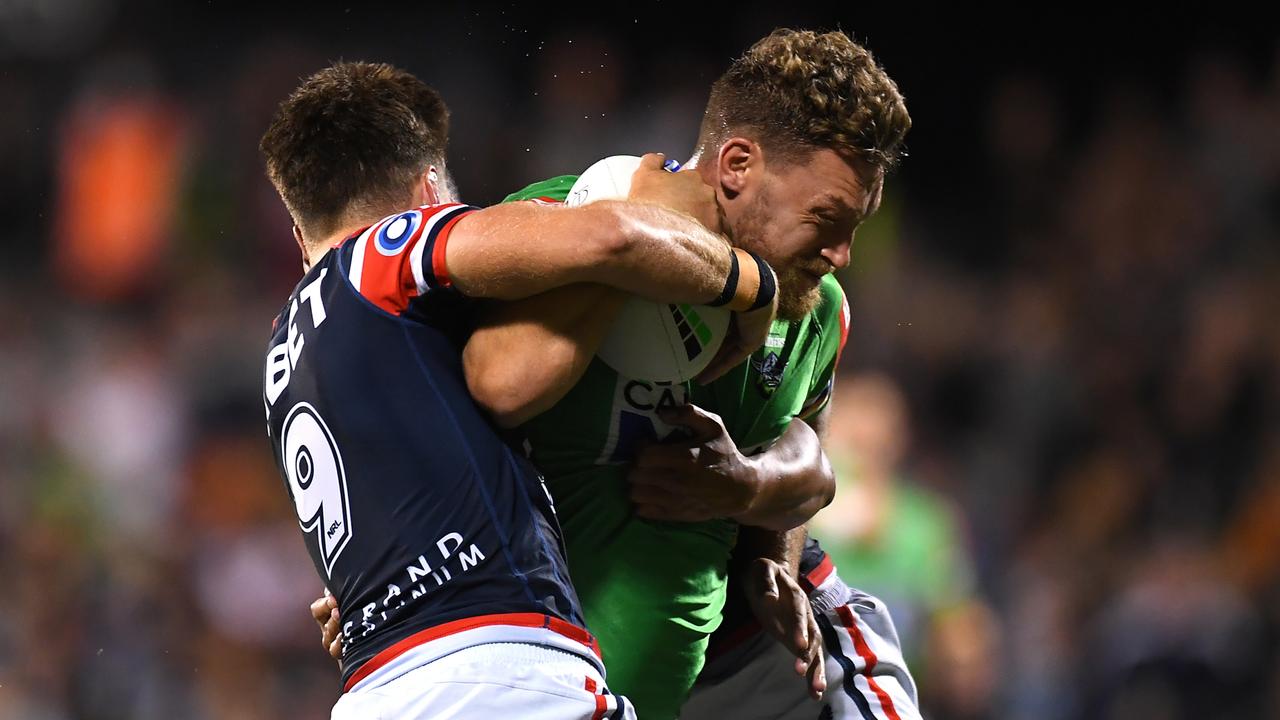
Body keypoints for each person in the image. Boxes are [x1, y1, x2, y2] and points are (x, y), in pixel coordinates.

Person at [315, 29, 923, 719]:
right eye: (828, 218)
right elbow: (483, 386)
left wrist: (745, 488)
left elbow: (812, 467)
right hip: (562, 677)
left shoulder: (815, 310)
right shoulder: (556, 224)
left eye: (856, 226)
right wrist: (389, 572)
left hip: (750, 661)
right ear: (736, 165)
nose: (843, 254)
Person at [260, 60, 778, 720]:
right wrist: (753, 287)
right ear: (428, 191)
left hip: (382, 688)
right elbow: (613, 235)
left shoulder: (283, 351)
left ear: (300, 235)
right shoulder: (382, 251)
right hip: (501, 676)